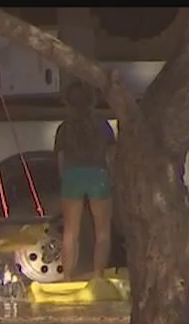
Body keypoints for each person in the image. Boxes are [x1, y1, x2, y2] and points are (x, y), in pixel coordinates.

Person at [53, 82, 116, 281]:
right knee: (103, 232)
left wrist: (65, 180)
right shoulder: (103, 125)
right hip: (98, 175)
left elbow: (61, 161)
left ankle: (68, 277)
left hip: (72, 176)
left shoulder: (63, 128)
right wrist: (112, 179)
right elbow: (111, 157)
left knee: (70, 232)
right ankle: (98, 276)